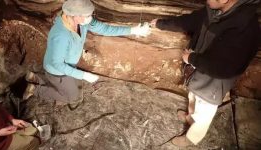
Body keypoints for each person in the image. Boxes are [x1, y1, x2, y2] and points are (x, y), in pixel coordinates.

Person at [150, 0, 260, 147]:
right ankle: (190, 118)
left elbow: (224, 68)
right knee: (193, 97)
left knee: (204, 113)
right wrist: (160, 23)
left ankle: (192, 138)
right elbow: (187, 22)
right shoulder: (213, 10)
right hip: (198, 72)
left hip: (213, 83)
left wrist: (191, 58)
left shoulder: (245, 29)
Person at [23, 0, 151, 106]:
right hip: (57, 71)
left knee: (75, 85)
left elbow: (104, 29)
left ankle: (35, 77)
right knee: (73, 97)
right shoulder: (61, 35)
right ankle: (35, 89)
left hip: (68, 65)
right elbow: (57, 64)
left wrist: (133, 30)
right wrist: (84, 75)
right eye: (88, 15)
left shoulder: (80, 22)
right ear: (76, 15)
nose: (90, 18)